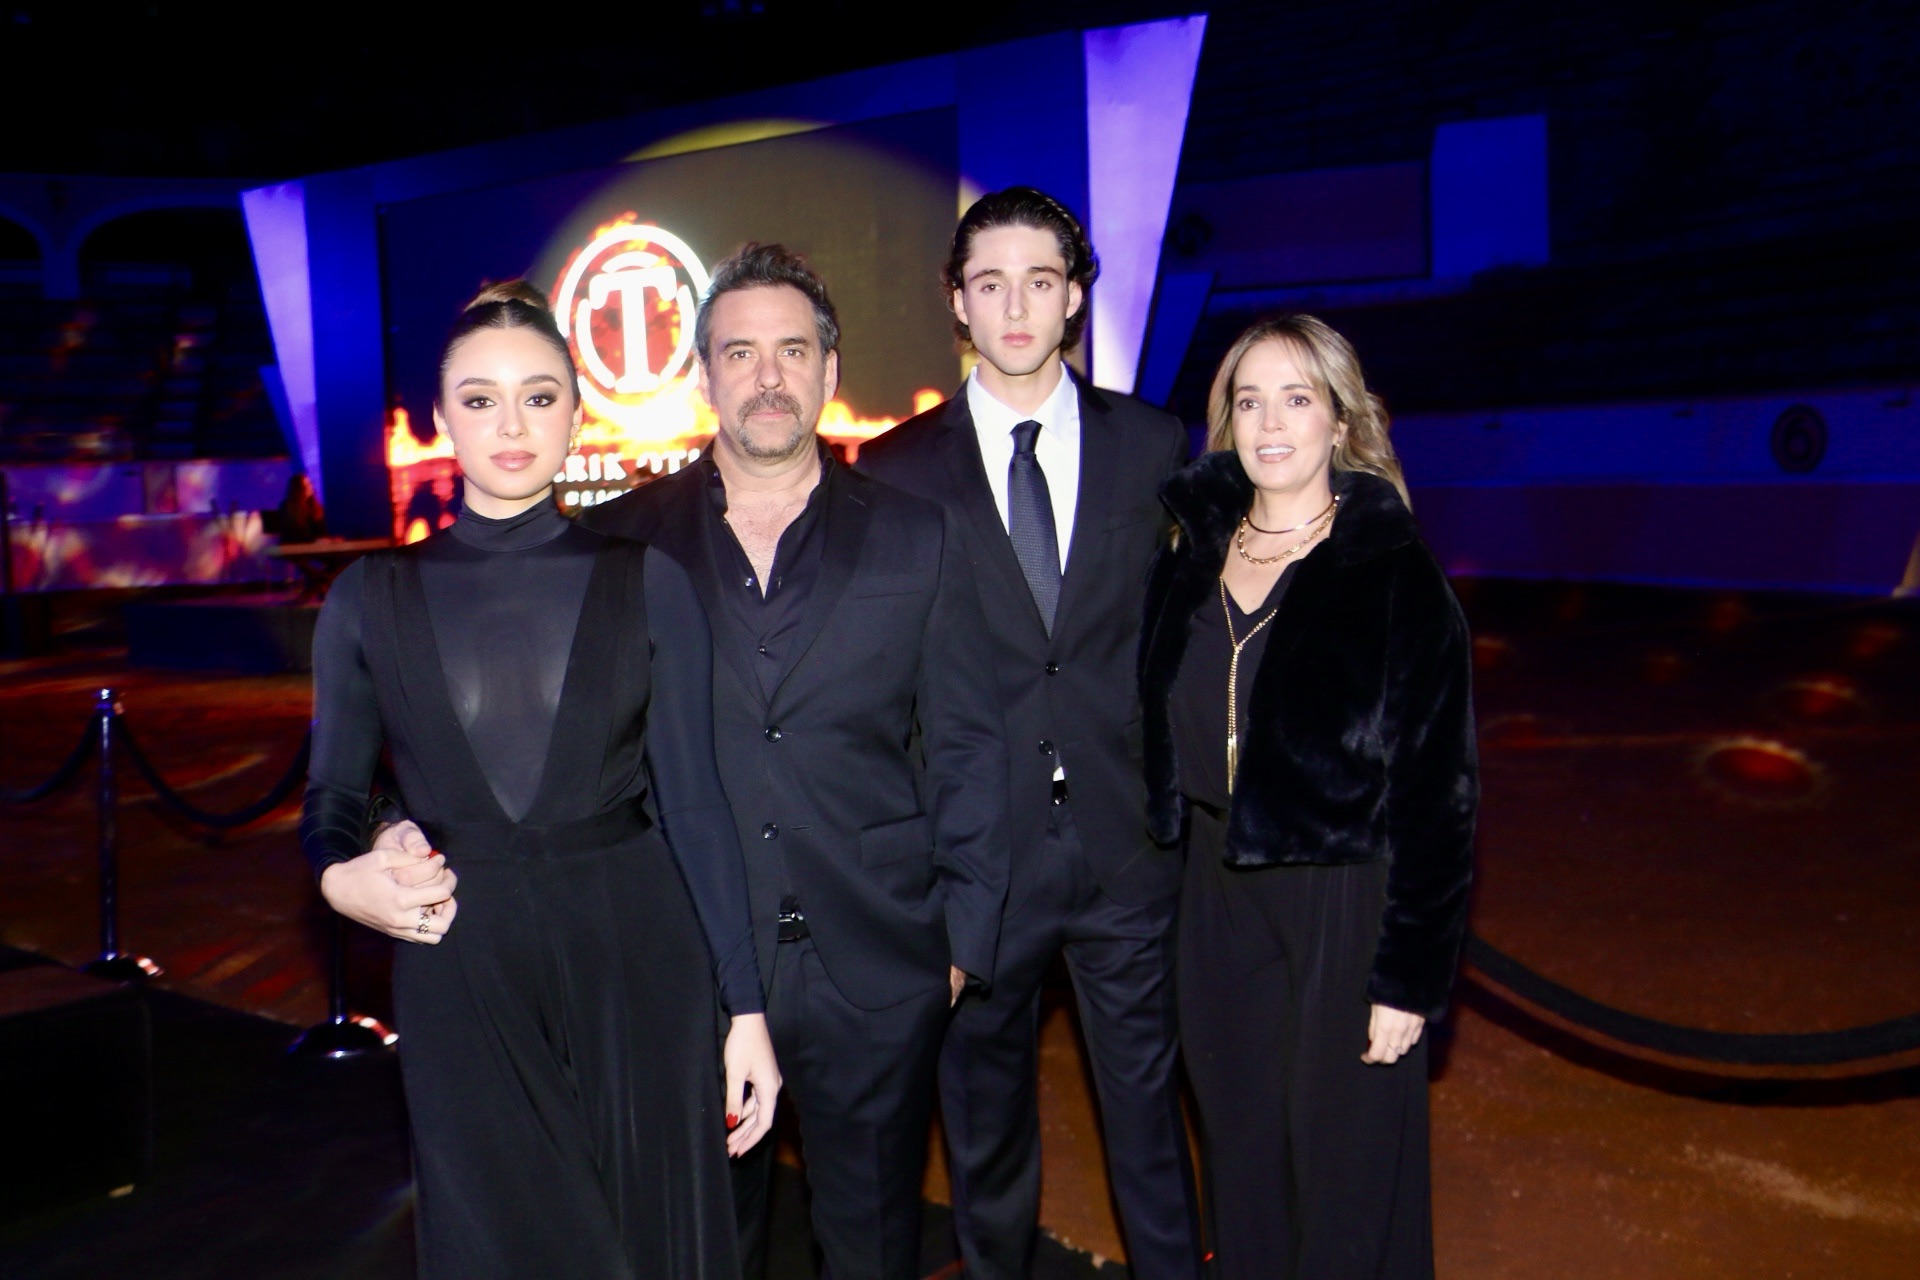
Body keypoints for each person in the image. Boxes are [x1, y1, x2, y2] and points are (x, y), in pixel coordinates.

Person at [302, 280, 780, 1279]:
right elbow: (334, 798)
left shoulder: (649, 581)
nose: (511, 425)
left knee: (653, 1243)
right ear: (441, 419)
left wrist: (746, 1012)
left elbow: (696, 804)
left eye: (539, 396)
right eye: (480, 399)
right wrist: (340, 875)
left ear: (576, 413)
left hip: (637, 959)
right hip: (459, 960)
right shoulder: (367, 598)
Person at [593, 243, 1010, 1280]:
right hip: (687, 966)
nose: (768, 376)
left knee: (872, 1247)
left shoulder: (920, 535)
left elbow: (967, 741)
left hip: (878, 963)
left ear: (831, 369)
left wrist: (961, 938)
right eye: (741, 352)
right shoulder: (616, 545)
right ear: (704, 375)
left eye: (792, 350)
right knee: (697, 1250)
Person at [858, 188, 1202, 1280]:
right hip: (976, 864)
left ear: (1075, 299)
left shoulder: (1152, 444)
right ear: (957, 301)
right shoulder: (893, 471)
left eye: (1040, 282)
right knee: (984, 1130)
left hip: (1125, 846)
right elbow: (883, 681)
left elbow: (1187, 634)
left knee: (1151, 1124)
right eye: (991, 283)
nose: (1015, 307)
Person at [1138, 315, 1477, 1280]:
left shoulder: (1392, 571)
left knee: (1345, 1177)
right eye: (1249, 401)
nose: (1271, 423)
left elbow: (1440, 793)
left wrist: (1409, 976)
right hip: (1213, 895)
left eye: (1298, 398)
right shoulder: (1186, 558)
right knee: (1241, 1165)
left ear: (1341, 420)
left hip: (1344, 899)